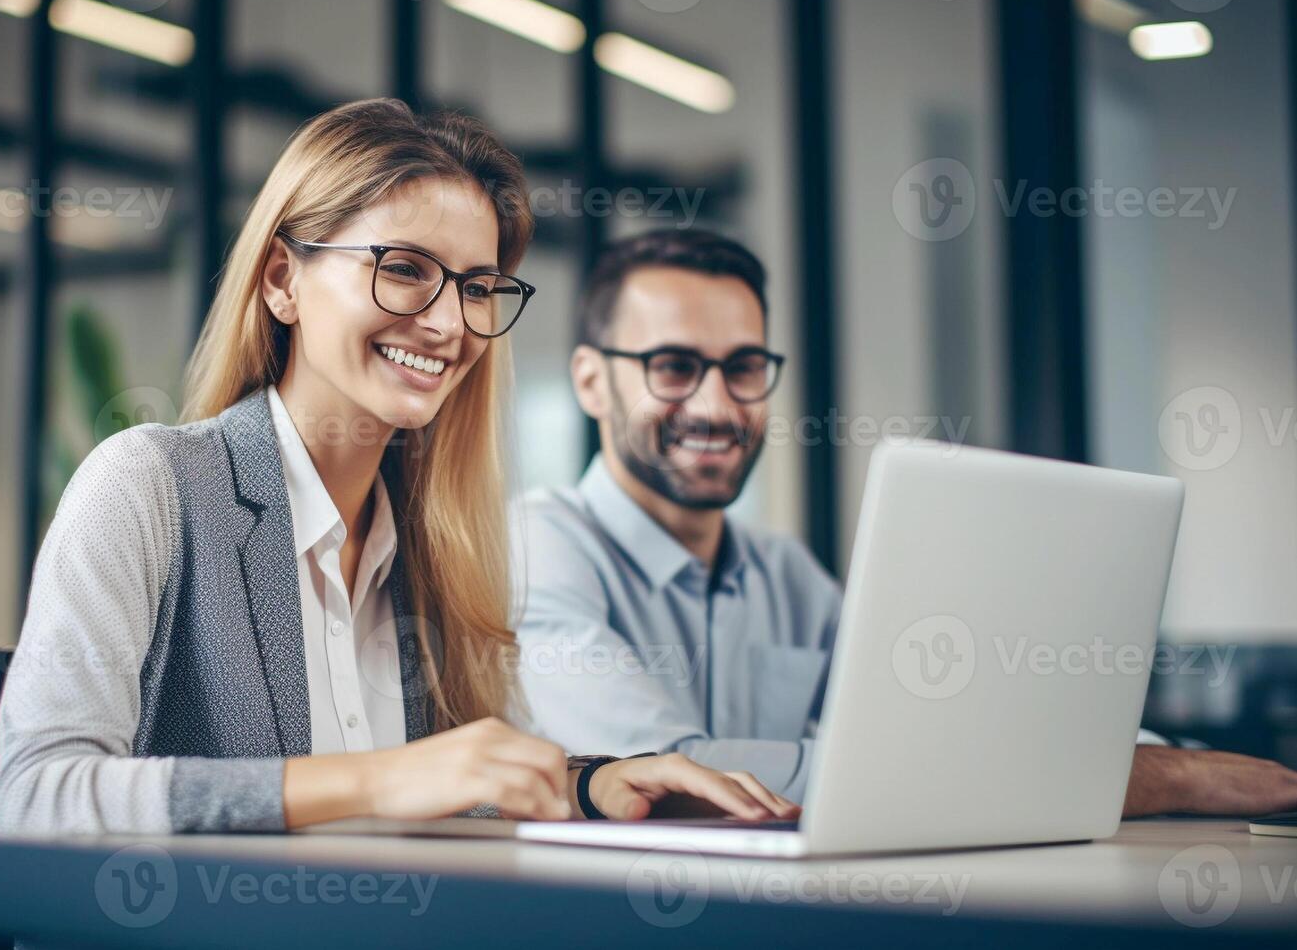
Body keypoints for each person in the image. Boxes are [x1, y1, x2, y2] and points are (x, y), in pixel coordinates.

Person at [0, 101, 798, 836]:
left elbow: (430, 788)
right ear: (282, 280)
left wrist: (594, 785)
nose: (449, 323)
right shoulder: (150, 485)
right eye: (405, 268)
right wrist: (372, 780)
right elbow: (38, 796)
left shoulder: (426, 544)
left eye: (477, 287)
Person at [512, 227, 1297, 818]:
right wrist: (1145, 781)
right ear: (589, 381)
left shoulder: (781, 570)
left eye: (744, 367)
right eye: (675, 366)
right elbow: (673, 773)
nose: (717, 406)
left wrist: (1169, 760)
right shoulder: (536, 549)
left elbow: (927, 723)